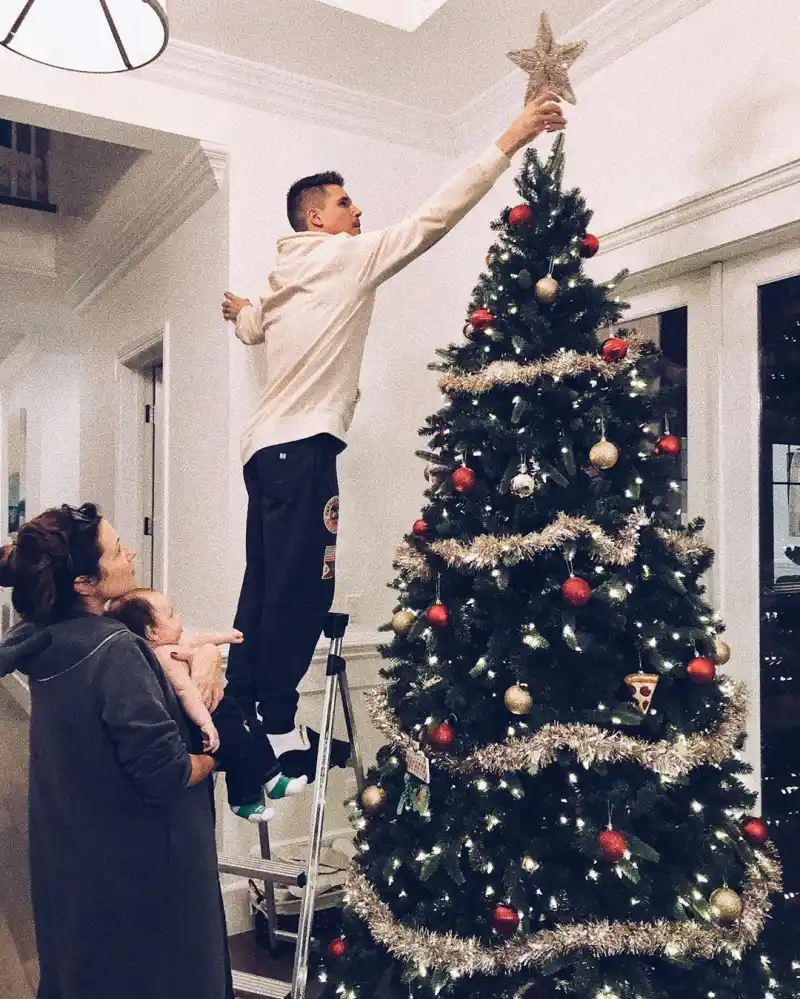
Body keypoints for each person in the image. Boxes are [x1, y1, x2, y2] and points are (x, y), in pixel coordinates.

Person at [222, 90, 567, 783]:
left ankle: (242, 706)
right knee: (303, 590)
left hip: (263, 456)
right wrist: (513, 134)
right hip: (303, 452)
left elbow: (255, 322)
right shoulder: (343, 258)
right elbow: (436, 216)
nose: (358, 214)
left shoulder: (285, 276)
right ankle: (277, 720)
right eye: (345, 204)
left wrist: (239, 313)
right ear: (315, 216)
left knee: (263, 584)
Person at [0, 504, 234, 999]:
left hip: (75, 864)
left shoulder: (46, 637)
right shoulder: (115, 652)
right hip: (147, 876)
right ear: (84, 581)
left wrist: (206, 653)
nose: (130, 552)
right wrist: (216, 756)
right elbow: (164, 775)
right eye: (116, 548)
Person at [106, 587, 308, 818]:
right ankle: (244, 800)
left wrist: (225, 638)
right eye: (171, 615)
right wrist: (206, 724)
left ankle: (273, 779)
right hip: (207, 716)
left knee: (254, 726)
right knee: (239, 744)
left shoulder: (177, 641)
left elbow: (199, 639)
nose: (179, 618)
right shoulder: (165, 657)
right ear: (152, 632)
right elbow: (187, 692)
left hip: (223, 708)